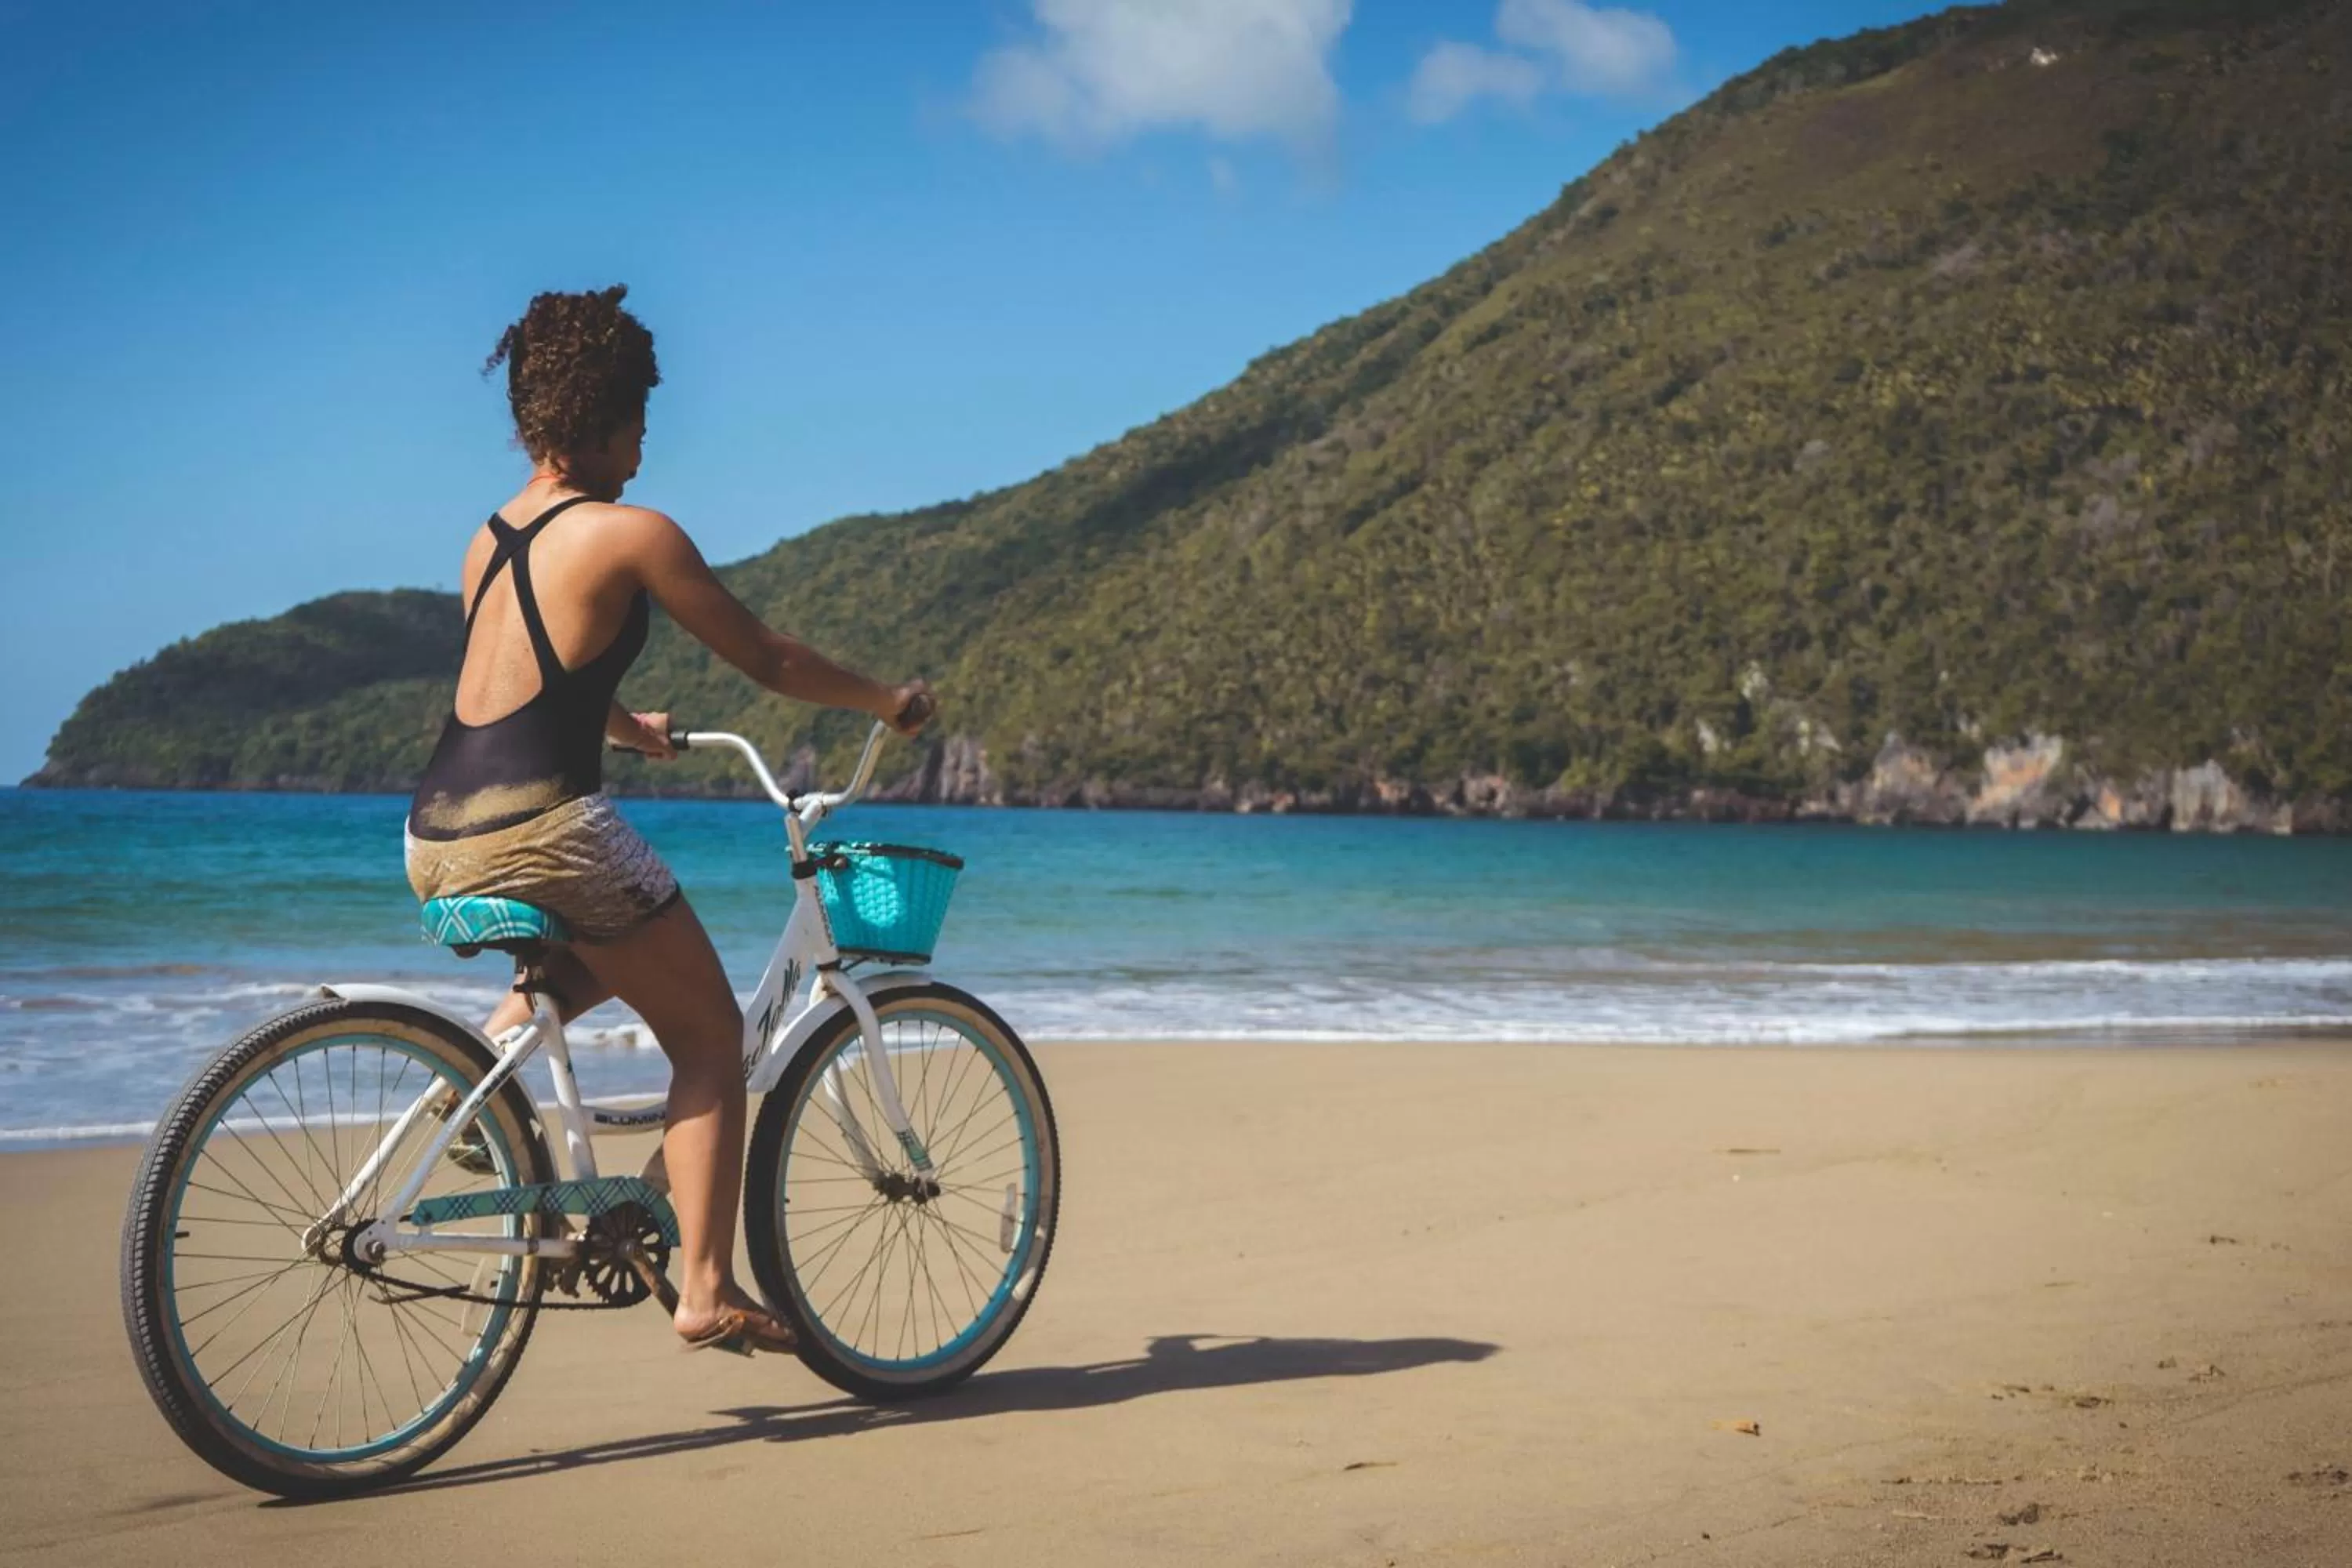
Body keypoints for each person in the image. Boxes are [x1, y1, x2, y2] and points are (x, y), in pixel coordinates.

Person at [405, 284, 931, 1354]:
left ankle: (486, 1090)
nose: (643, 453)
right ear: (597, 419)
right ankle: (702, 1287)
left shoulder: (485, 540)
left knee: (605, 956)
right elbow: (769, 658)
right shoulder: (630, 534)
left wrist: (629, 727)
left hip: (433, 835)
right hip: (546, 826)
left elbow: (531, 683)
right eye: (637, 425)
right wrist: (886, 701)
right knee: (705, 1037)